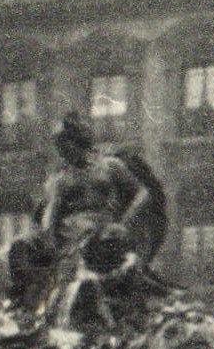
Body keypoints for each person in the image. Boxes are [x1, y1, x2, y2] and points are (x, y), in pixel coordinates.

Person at [38, 111, 157, 264]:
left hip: (107, 234)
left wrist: (124, 222)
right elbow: (51, 218)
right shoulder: (61, 180)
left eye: (65, 146)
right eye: (60, 149)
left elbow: (142, 193)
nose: (63, 154)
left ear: (78, 141)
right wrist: (55, 247)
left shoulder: (109, 166)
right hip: (76, 239)